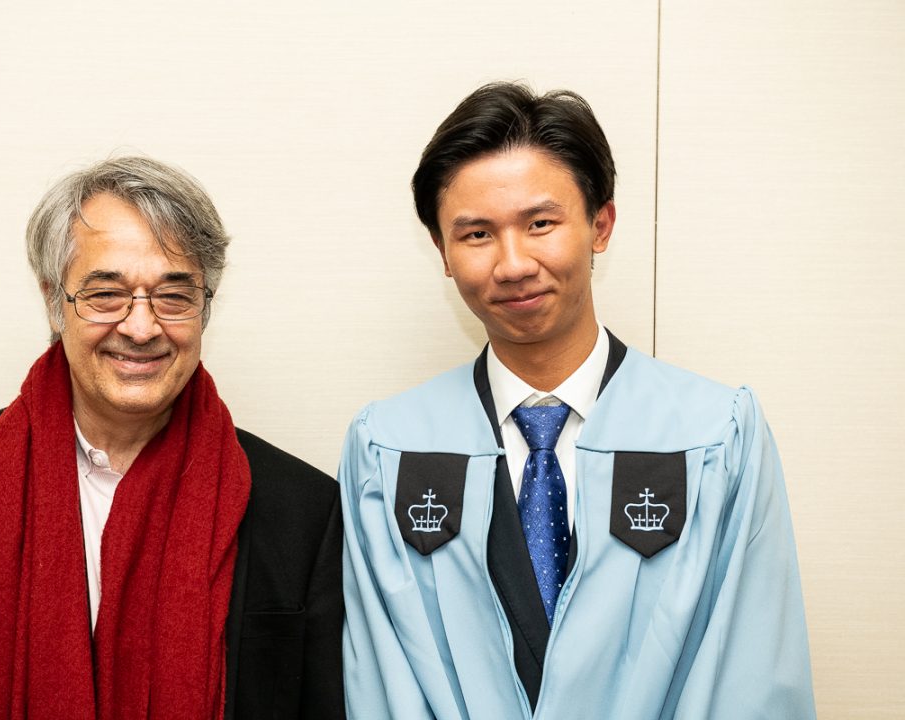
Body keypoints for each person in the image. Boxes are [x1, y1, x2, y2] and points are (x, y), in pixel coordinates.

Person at [338, 83, 815, 719]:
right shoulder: (389, 449)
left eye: (540, 224)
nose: (513, 264)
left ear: (600, 225)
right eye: (477, 233)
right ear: (443, 253)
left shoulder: (714, 435)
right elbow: (381, 684)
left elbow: (750, 673)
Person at [0, 156, 344, 720]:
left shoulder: (302, 510)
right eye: (105, 293)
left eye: (174, 296)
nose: (141, 327)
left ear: (205, 308)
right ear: (53, 302)